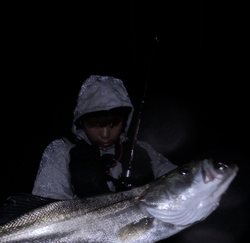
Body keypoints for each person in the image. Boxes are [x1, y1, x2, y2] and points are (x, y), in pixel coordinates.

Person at [32, 75, 176, 199]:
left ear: (125, 121)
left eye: (113, 124)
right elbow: (46, 205)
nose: (105, 134)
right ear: (80, 122)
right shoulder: (61, 150)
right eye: (94, 125)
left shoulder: (143, 148)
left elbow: (178, 182)